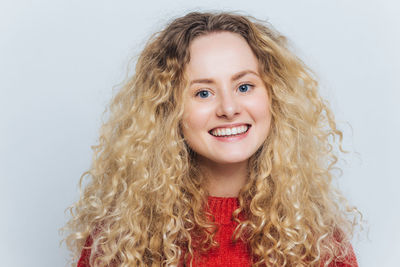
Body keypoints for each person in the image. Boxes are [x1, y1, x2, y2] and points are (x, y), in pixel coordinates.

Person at [62, 11, 361, 267]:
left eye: (244, 87)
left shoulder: (318, 238)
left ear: (274, 96)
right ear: (169, 110)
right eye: (203, 93)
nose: (229, 109)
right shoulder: (121, 241)